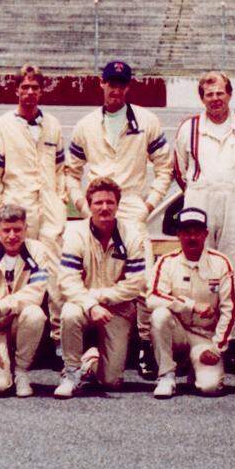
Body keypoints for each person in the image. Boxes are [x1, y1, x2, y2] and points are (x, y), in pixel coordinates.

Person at [65, 60, 172, 379]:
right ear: (101, 83)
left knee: (143, 278)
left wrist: (148, 203)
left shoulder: (147, 121)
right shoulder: (85, 125)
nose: (116, 88)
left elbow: (165, 167)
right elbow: (70, 173)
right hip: (95, 204)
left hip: (130, 206)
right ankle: (75, 342)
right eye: (111, 82)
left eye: (121, 83)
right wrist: (84, 207)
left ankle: (142, 344)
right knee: (82, 269)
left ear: (128, 86)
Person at [172, 70, 235, 371]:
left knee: (231, 272)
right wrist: (201, 195)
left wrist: (234, 194)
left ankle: (230, 343)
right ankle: (194, 341)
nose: (215, 99)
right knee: (196, 269)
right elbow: (179, 170)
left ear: (229, 94)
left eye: (220, 93)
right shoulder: (189, 127)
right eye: (209, 94)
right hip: (199, 199)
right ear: (202, 97)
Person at [0, 64, 67, 341]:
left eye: (35, 87)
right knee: (17, 273)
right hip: (16, 209)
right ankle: (12, 335)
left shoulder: (52, 124)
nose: (30, 92)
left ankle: (56, 338)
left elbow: (60, 169)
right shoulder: (2, 126)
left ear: (42, 90)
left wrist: (60, 200)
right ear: (16, 89)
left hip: (49, 210)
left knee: (54, 273)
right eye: (25, 87)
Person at [55, 178, 147, 398]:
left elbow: (136, 284)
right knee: (69, 313)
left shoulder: (132, 234)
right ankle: (71, 373)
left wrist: (99, 297)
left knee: (111, 381)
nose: (104, 208)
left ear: (117, 205)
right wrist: (90, 304)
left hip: (117, 308)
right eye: (98, 203)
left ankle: (90, 362)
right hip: (84, 305)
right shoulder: (75, 233)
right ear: (89, 205)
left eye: (110, 202)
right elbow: (67, 280)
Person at [146, 207, 235, 398]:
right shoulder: (166, 261)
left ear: (205, 234)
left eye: (197, 232)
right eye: (186, 232)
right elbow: (153, 297)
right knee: (159, 315)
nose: (192, 237)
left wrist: (217, 348)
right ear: (178, 234)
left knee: (210, 388)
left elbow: (231, 308)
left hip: (205, 337)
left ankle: (195, 368)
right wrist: (190, 305)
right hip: (177, 333)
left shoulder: (221, 263)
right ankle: (166, 375)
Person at [0, 204, 52, 398]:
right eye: (6, 230)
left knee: (35, 314)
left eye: (17, 230)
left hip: (17, 323)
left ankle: (21, 371)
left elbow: (36, 294)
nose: (12, 236)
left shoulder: (37, 250)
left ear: (26, 229)